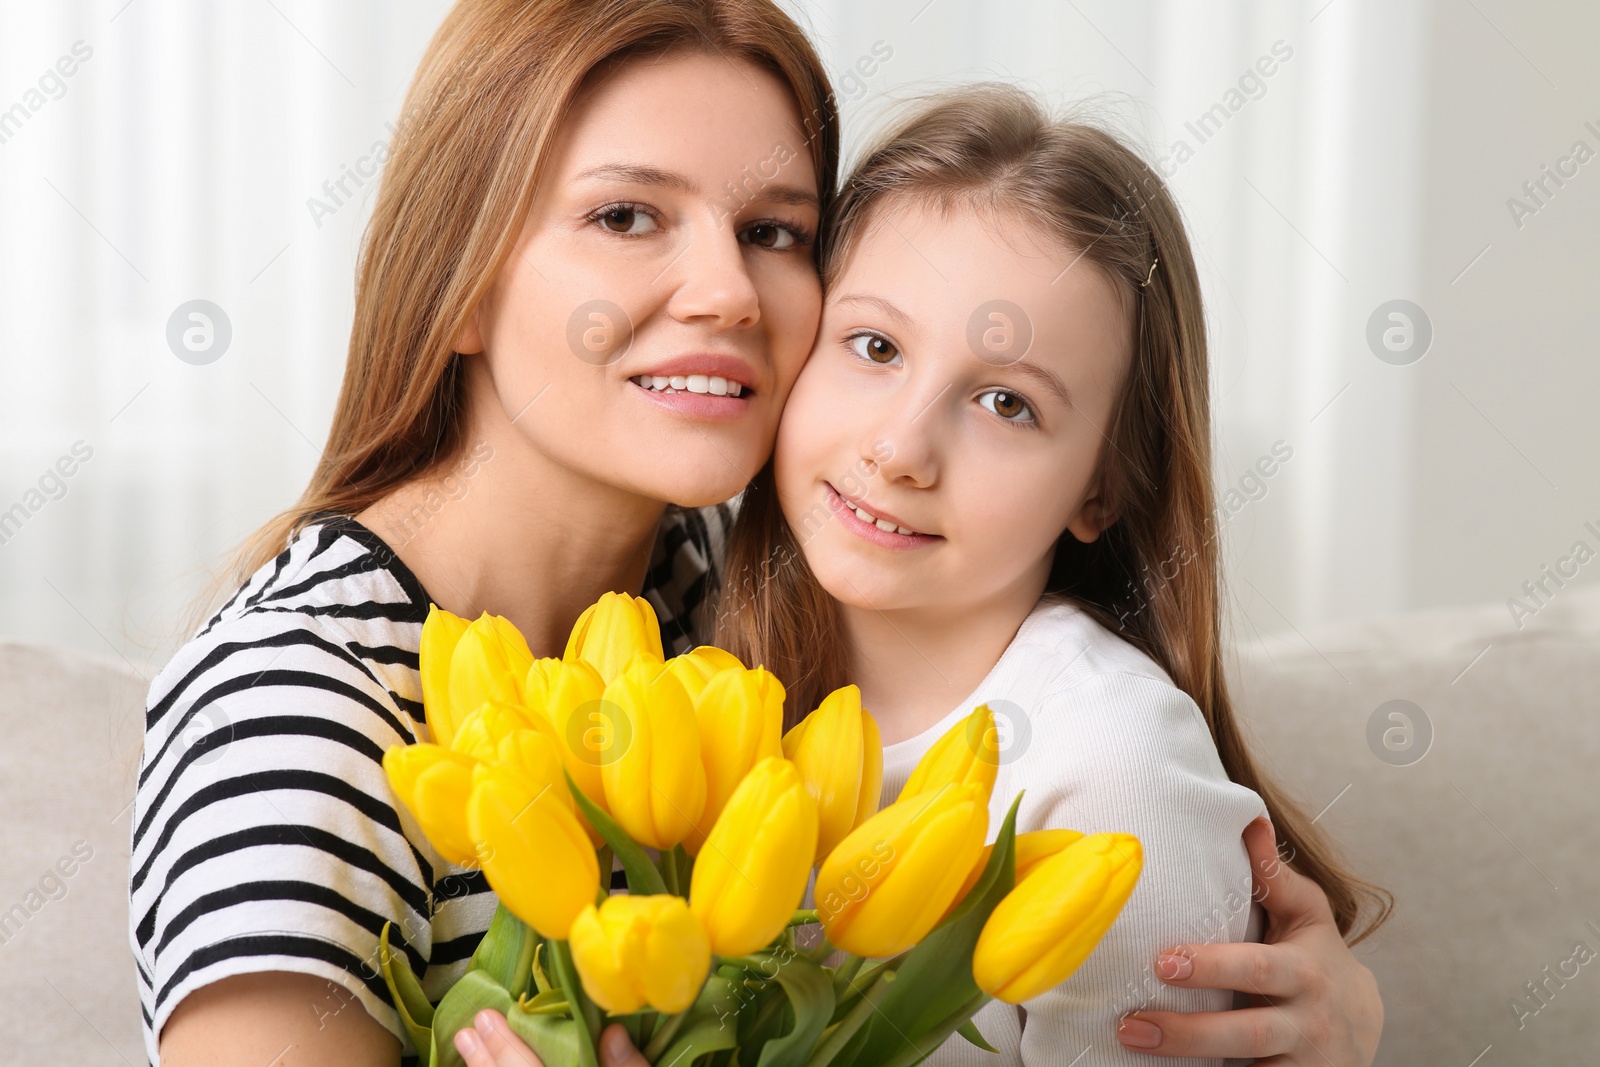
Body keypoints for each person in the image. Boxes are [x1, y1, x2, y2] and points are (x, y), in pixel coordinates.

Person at [129, 2, 1383, 1065]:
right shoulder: (293, 707)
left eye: (775, 231)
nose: (728, 289)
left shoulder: (722, 609)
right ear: (458, 274)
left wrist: (1341, 1019)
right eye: (626, 216)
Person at [709, 83, 1392, 1066]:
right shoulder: (695, 643)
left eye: (1004, 402)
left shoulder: (1109, 768)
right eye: (874, 345)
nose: (901, 447)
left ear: (1100, 490)